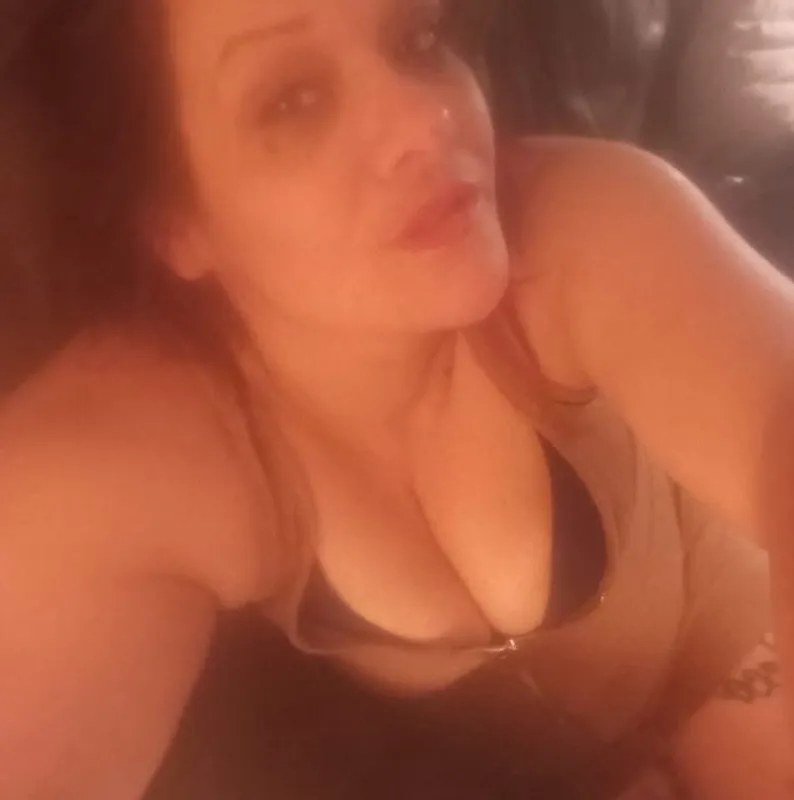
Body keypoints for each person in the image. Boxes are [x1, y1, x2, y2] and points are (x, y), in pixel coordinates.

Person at [0, 0, 793, 798]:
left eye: (417, 40)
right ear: (176, 221)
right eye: (294, 100)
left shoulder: (579, 222)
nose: (428, 118)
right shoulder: (126, 450)